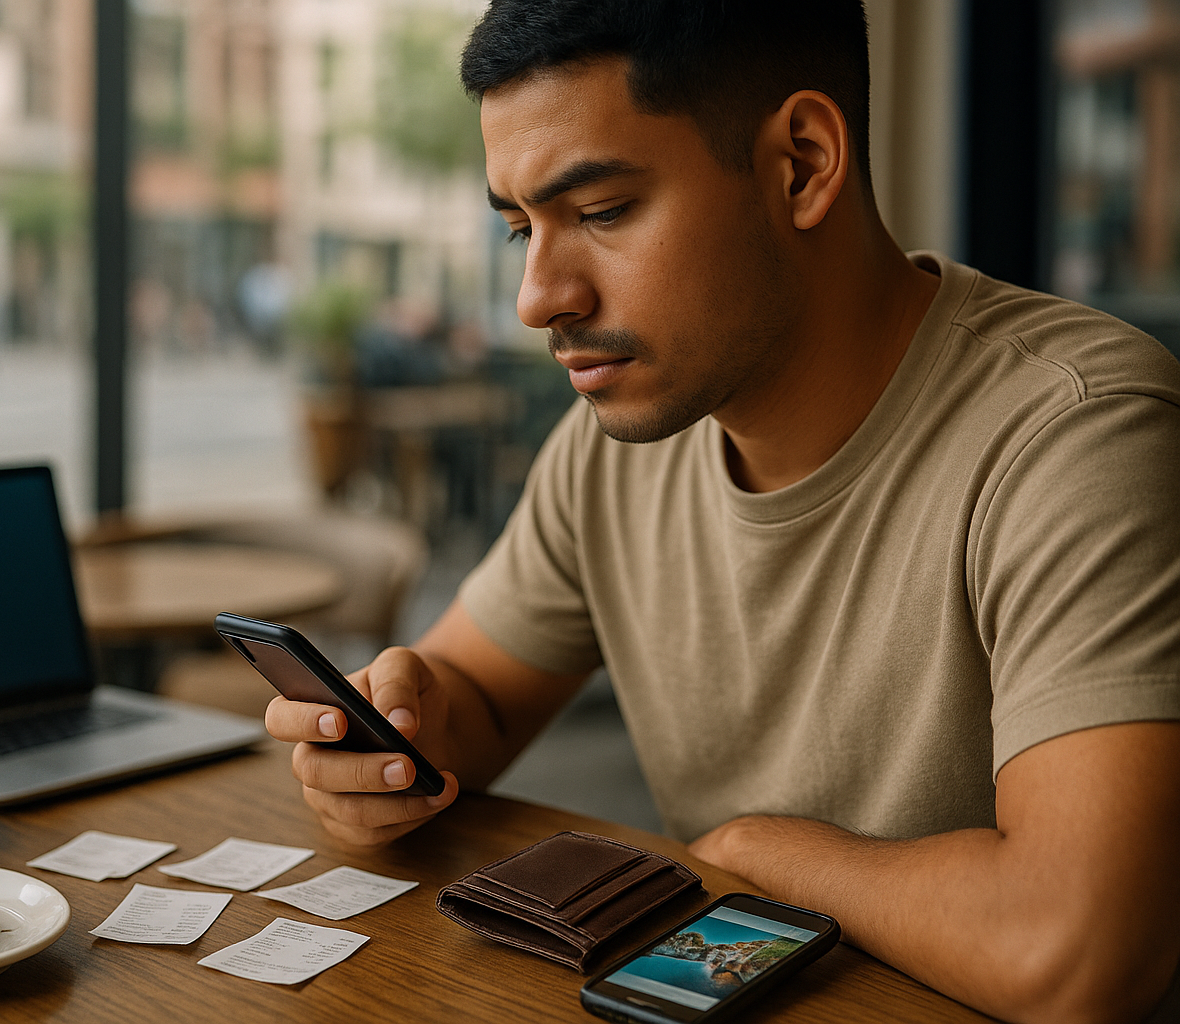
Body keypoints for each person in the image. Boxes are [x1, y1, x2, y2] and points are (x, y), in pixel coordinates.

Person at [265, 3, 1180, 1022]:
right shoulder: (616, 448)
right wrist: (394, 731)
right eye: (522, 227)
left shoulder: (1076, 432)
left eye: (603, 211)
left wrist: (759, 850)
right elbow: (469, 700)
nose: (536, 296)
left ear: (801, 163)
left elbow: (1080, 948)